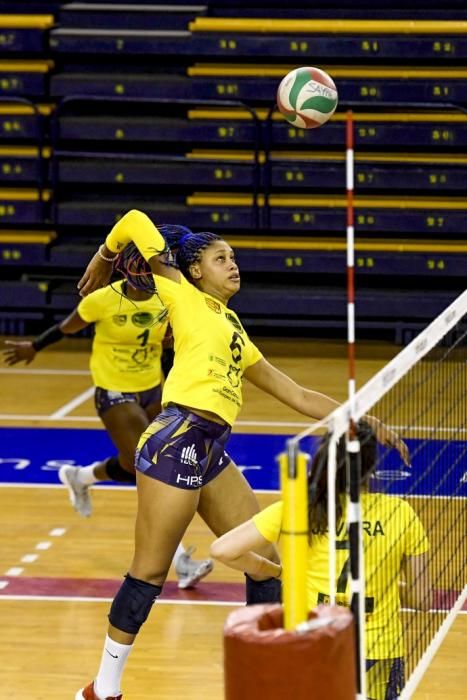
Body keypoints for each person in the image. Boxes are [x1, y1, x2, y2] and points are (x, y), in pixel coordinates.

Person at [74, 209, 409, 700]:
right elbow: (132, 219)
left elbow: (294, 392)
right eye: (220, 258)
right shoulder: (180, 294)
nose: (233, 265)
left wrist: (363, 419)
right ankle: (103, 689)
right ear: (194, 271)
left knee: (261, 558)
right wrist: (104, 259)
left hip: (210, 447)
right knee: (149, 572)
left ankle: (273, 672)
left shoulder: (231, 326)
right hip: (176, 438)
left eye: (233, 257)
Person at [2, 255, 213, 590]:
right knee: (152, 471)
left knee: (135, 466)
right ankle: (180, 561)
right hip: (114, 391)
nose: (145, 275)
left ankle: (80, 477)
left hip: (152, 389)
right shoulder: (103, 300)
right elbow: (66, 327)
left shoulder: (167, 296)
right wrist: (34, 346)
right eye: (138, 270)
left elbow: (171, 342)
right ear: (126, 271)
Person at [211, 421, 431, 700]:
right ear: (371, 465)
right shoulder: (401, 513)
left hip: (310, 644)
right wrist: (386, 587)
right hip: (377, 651)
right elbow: (423, 600)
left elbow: (222, 550)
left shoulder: (298, 508)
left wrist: (278, 572)